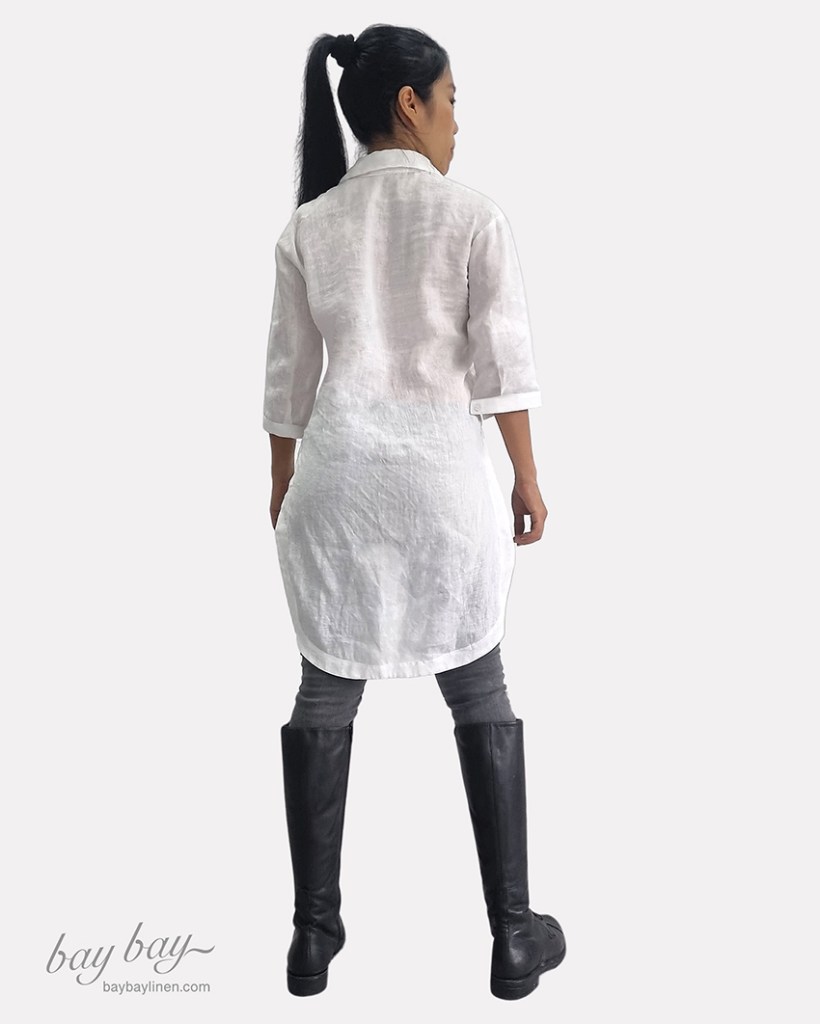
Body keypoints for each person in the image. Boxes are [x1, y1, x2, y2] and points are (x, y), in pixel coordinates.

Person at [263, 24, 566, 1000]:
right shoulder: (472, 217)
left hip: (337, 487)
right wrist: (526, 478)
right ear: (410, 104)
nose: (456, 123)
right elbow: (503, 366)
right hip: (441, 490)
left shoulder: (309, 227)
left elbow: (287, 381)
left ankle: (311, 936)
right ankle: (512, 934)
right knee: (478, 686)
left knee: (325, 688)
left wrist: (282, 481)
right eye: (451, 101)